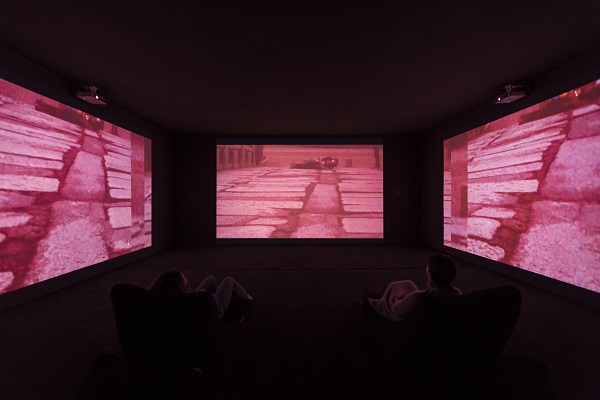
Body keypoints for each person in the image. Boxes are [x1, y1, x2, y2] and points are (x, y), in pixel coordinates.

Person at [361, 254, 461, 322]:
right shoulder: (457, 294)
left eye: (427, 268)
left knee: (393, 287)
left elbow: (396, 310)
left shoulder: (419, 297)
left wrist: (404, 297)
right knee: (407, 283)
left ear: (430, 274)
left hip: (406, 311)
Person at [149, 270, 252, 320]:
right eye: (184, 279)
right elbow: (197, 306)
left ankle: (224, 299)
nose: (186, 278)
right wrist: (202, 296)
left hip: (198, 301)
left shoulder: (166, 297)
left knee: (211, 279)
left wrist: (197, 294)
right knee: (229, 280)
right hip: (213, 310)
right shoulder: (186, 302)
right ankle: (247, 299)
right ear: (178, 286)